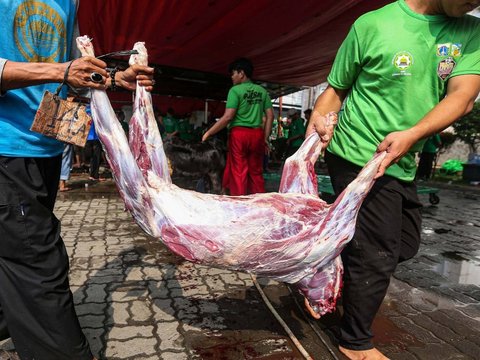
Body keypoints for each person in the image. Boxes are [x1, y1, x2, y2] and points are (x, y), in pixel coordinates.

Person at [305, 1, 480, 359]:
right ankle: (354, 341)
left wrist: (413, 134)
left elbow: (462, 97)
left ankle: (326, 271)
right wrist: (317, 124)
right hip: (356, 152)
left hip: (401, 156)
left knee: (405, 242)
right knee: (377, 250)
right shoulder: (372, 24)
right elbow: (336, 89)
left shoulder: (471, 32)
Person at [0, 1, 154, 359]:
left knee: (13, 251)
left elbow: (73, 75)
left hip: (46, 147)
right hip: (6, 149)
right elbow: (61, 70)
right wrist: (60, 70)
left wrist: (115, 78)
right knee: (38, 263)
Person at [202, 57, 274, 195]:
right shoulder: (262, 91)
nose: (232, 77)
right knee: (256, 171)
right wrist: (265, 137)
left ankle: (240, 203)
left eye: (233, 73)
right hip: (257, 134)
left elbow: (228, 116)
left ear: (241, 73)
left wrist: (209, 133)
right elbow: (270, 115)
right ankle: (260, 203)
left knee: (239, 171)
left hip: (239, 134)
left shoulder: (235, 91)